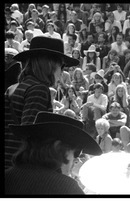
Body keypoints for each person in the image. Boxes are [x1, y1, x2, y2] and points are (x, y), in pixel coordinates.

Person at [5, 36, 79, 170]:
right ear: (49, 64)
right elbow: (30, 136)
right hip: (18, 169)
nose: (62, 72)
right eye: (61, 66)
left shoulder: (15, 87)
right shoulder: (39, 89)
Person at [5, 111, 102, 194]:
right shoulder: (67, 188)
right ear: (58, 147)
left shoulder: (8, 177)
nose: (74, 160)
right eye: (75, 153)